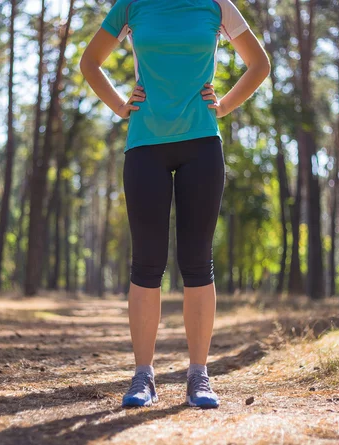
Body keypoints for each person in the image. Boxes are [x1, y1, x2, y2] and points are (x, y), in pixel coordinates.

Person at [79, 0, 270, 409]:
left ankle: (198, 375)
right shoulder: (131, 6)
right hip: (145, 145)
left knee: (197, 262)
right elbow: (90, 62)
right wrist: (119, 105)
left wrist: (224, 105)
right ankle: (143, 376)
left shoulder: (217, 5)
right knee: (147, 264)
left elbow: (259, 64)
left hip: (202, 144)